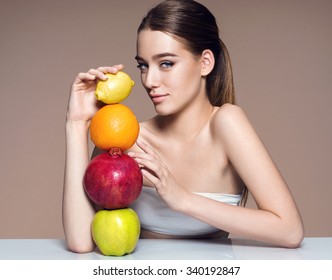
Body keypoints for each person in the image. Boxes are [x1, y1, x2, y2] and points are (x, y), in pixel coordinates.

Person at [63, 0, 304, 253]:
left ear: (205, 63)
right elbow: (81, 242)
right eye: (143, 66)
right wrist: (77, 124)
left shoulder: (225, 123)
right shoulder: (126, 138)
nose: (149, 80)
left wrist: (182, 199)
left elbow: (289, 230)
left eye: (166, 63)